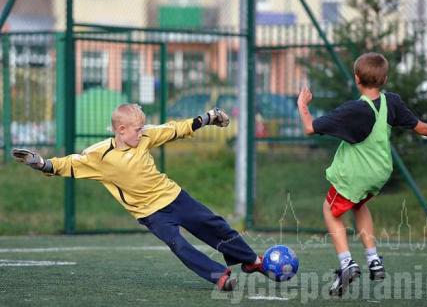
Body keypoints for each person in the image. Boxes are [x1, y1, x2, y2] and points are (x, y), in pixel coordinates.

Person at [12, 104, 267, 291]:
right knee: (179, 245)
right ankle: (219, 277)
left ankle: (252, 261)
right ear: (121, 130)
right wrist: (42, 163)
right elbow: (69, 164)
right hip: (150, 214)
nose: (141, 132)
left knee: (213, 224)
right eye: (136, 129)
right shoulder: (98, 155)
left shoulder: (145, 135)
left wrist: (208, 117)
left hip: (173, 196)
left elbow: (174, 129)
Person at [296, 52, 427, 296]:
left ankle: (346, 262)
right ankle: (374, 260)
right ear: (385, 79)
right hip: (380, 172)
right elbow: (420, 127)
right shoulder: (392, 102)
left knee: (330, 210)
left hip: (356, 174)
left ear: (357, 78)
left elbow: (309, 128)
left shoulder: (355, 110)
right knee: (359, 205)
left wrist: (302, 105)